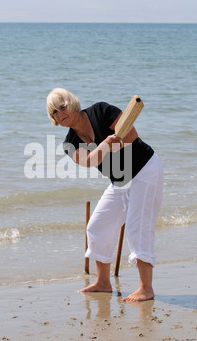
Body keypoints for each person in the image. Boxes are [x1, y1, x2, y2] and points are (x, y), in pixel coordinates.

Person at [46, 88, 164, 302]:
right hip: (120, 182)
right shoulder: (69, 142)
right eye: (54, 112)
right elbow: (88, 161)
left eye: (62, 107)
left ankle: (146, 288)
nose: (59, 113)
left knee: (138, 226)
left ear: (72, 103)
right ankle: (103, 282)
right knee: (97, 226)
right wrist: (105, 145)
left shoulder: (100, 110)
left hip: (145, 170)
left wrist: (113, 143)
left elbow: (131, 135)